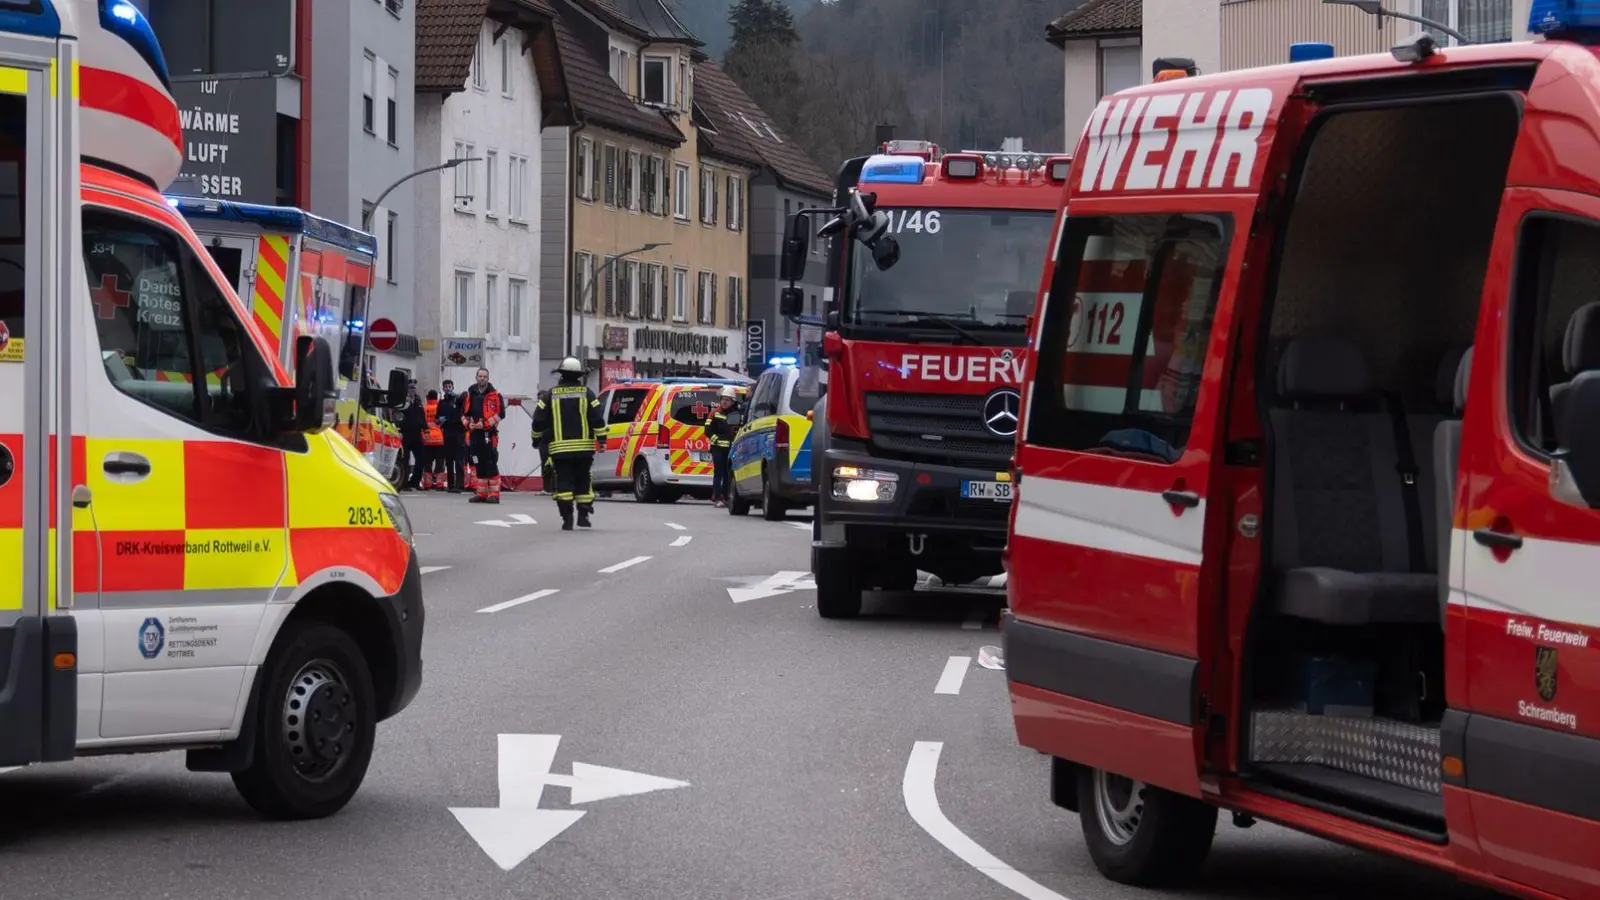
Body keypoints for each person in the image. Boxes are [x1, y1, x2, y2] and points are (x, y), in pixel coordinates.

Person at [530, 357, 605, 530]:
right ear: (579, 375)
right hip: (584, 450)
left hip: (560, 451)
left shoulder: (550, 395)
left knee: (564, 482)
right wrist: (601, 439)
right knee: (583, 479)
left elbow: (538, 421)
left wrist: (536, 439)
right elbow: (597, 418)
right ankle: (584, 515)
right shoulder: (587, 393)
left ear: (561, 374)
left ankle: (567, 518)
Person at [463, 367, 505, 503]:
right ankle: (481, 493)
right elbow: (464, 414)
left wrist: (486, 424)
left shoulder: (495, 395)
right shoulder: (471, 394)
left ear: (488, 378)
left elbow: (501, 414)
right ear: (476, 377)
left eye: (484, 376)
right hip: (474, 433)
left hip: (488, 433)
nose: (482, 378)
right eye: (480, 376)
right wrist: (467, 424)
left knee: (490, 462)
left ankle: (494, 494)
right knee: (477, 462)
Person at [704, 385, 737, 508]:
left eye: (727, 400)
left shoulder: (735, 414)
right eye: (723, 399)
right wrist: (715, 440)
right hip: (717, 448)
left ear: (732, 402)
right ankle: (717, 497)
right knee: (719, 472)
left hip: (730, 448)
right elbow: (707, 430)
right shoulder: (714, 413)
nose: (724, 401)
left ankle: (726, 497)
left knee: (728, 473)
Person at [438, 377, 466, 493]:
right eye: (446, 387)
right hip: (448, 431)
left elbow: (464, 398)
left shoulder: (458, 400)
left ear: (453, 387)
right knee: (449, 460)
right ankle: (450, 484)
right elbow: (437, 418)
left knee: (459, 459)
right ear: (443, 389)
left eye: (450, 386)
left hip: (458, 431)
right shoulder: (442, 403)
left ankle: (459, 485)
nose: (448, 389)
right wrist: (440, 420)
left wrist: (459, 396)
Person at [399, 379, 424, 491]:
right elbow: (397, 415)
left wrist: (426, 428)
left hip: (417, 434)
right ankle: (404, 484)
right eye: (410, 388)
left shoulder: (418, 401)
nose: (412, 389)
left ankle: (415, 482)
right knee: (405, 459)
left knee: (421, 458)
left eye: (414, 388)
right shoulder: (402, 400)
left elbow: (422, 416)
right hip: (405, 433)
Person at [420, 390, 444, 489]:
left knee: (427, 463)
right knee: (440, 463)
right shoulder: (440, 408)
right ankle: (439, 484)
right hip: (439, 440)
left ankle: (427, 484)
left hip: (428, 439)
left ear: (427, 398)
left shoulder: (424, 409)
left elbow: (422, 423)